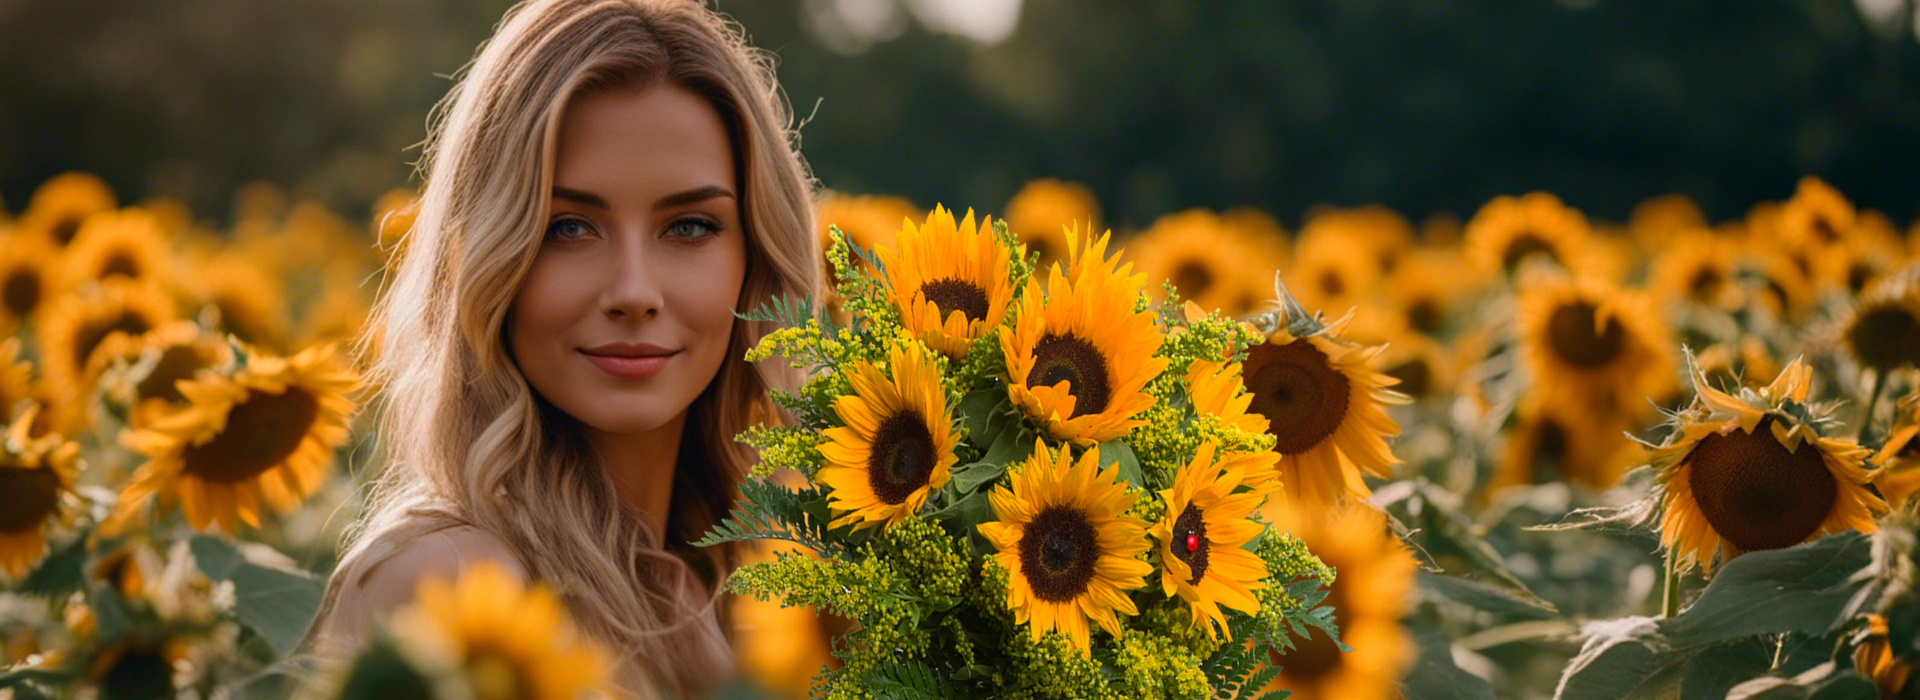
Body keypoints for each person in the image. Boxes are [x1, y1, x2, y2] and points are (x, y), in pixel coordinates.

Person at [301, 0, 820, 695]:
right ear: (483, 257)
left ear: (755, 259)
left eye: (690, 226)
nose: (634, 292)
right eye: (568, 227)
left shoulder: (748, 590)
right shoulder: (452, 589)